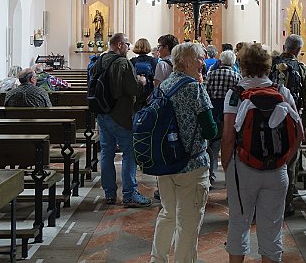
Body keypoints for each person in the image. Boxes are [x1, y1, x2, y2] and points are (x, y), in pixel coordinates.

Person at [222, 43, 302, 263]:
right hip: (277, 169)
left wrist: (228, 166)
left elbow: (228, 136)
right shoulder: (281, 91)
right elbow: (299, 132)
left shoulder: (235, 94)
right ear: (268, 65)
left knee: (239, 222)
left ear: (242, 65)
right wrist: (284, 160)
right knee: (273, 226)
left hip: (244, 167)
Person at [150, 42, 217, 262]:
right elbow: (210, 129)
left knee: (167, 214)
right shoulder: (194, 88)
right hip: (192, 165)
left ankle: (157, 259)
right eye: (200, 58)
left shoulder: (165, 84)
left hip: (165, 161)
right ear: (188, 61)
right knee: (188, 223)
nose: (203, 62)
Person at [92, 33, 151, 207]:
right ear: (119, 45)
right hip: (119, 114)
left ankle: (109, 193)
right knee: (129, 153)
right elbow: (131, 89)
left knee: (107, 152)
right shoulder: (122, 62)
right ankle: (129, 194)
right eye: (127, 44)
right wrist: (140, 81)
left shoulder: (99, 61)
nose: (128, 47)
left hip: (102, 113)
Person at [270, 34, 306, 217]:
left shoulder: (270, 65)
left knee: (270, 156)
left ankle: (268, 199)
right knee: (290, 162)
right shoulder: (303, 69)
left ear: (284, 46)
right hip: (291, 120)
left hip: (269, 118)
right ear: (298, 51)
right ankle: (286, 203)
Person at [205, 49, 240, 185]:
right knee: (229, 143)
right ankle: (229, 178)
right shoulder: (236, 76)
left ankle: (210, 175)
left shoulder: (212, 74)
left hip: (213, 111)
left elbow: (205, 92)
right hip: (229, 113)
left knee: (212, 144)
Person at [130, 38, 157, 103]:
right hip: (149, 89)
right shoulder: (153, 60)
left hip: (137, 89)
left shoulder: (133, 61)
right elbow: (156, 76)